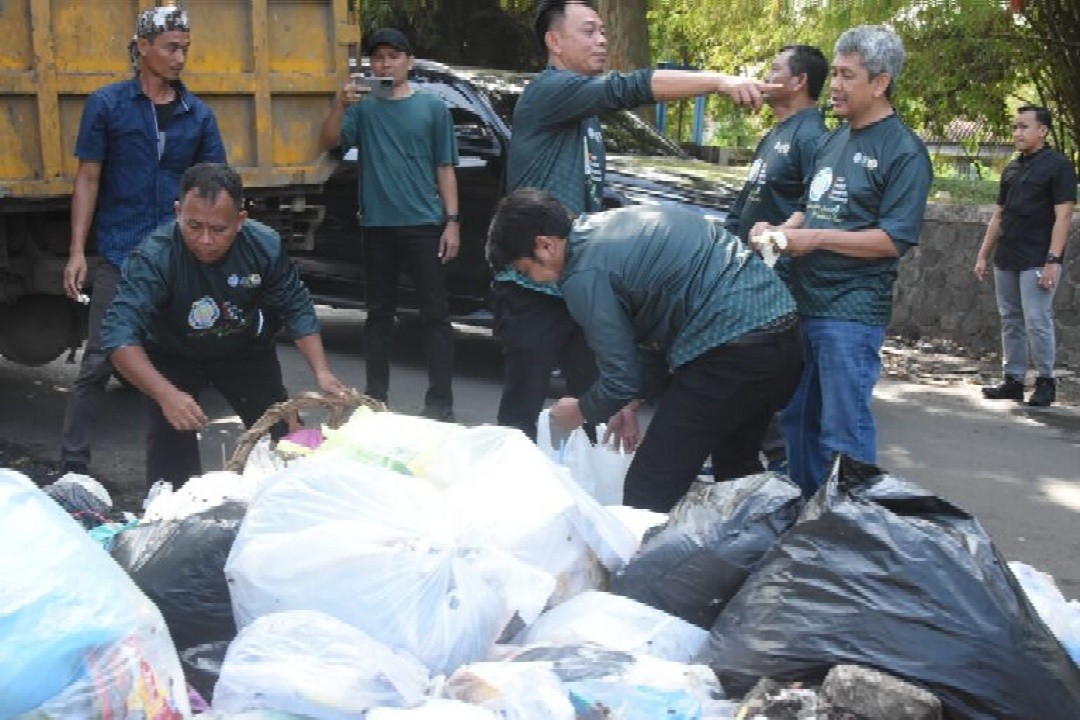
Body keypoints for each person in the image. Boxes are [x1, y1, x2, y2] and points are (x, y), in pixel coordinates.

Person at [495, 0, 776, 441]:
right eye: (588, 31)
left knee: (595, 406)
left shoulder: (581, 113)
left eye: (603, 31)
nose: (602, 39)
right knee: (521, 412)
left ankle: (578, 499)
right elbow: (629, 88)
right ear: (554, 41)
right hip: (534, 285)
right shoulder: (550, 92)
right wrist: (720, 81)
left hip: (576, 278)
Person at [488, 188, 803, 513]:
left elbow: (619, 377)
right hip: (782, 331)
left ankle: (641, 562)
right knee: (734, 472)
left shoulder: (582, 273)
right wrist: (630, 402)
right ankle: (754, 552)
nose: (536, 282)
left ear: (546, 245)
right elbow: (655, 334)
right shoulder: (614, 226)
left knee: (649, 487)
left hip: (730, 347)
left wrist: (581, 410)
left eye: (527, 271)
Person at [749, 25, 933, 497]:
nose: (835, 85)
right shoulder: (832, 141)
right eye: (836, 74)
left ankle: (849, 534)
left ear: (881, 82)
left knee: (842, 432)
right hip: (800, 304)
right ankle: (807, 520)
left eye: (849, 76)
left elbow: (894, 239)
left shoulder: (904, 152)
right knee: (796, 423)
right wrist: (779, 231)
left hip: (850, 313)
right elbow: (809, 208)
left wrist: (814, 239)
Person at [101, 163, 348, 487]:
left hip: (243, 350)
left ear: (240, 220)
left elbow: (295, 305)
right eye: (193, 226)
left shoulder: (265, 246)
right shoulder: (155, 257)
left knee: (284, 436)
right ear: (178, 212)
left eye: (219, 229)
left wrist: (322, 371)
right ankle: (174, 520)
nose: (205, 240)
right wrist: (167, 395)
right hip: (172, 355)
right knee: (172, 461)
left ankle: (296, 505)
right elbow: (118, 334)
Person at [59, 6, 226, 476]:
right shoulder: (108, 105)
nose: (179, 58)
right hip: (120, 251)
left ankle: (176, 476)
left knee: (180, 361)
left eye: (185, 49)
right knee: (99, 359)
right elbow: (88, 178)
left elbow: (215, 186)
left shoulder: (198, 114)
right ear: (143, 48)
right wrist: (77, 251)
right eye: (171, 47)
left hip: (177, 257)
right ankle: (73, 467)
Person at [318, 28, 459, 421]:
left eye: (393, 56)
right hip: (377, 226)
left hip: (425, 225)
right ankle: (375, 398)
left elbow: (445, 167)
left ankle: (441, 404)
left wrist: (453, 222)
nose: (385, 64)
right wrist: (340, 105)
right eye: (378, 58)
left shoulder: (433, 108)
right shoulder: (363, 108)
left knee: (436, 316)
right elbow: (329, 140)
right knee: (379, 315)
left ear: (409, 61)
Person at [723, 44, 829, 470]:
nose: (766, 74)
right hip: (749, 275)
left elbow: (815, 209)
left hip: (780, 283)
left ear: (799, 81)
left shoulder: (813, 136)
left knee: (768, 384)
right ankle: (740, 465)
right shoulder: (775, 132)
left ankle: (784, 473)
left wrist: (779, 244)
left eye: (775, 68)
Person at [975, 105, 1076, 407]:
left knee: (1037, 319)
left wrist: (1053, 260)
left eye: (1023, 127)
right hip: (1007, 256)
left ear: (1042, 131)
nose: (1017, 132)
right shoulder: (1013, 168)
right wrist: (982, 255)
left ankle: (1046, 381)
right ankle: (1013, 380)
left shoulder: (1058, 167)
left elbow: (1064, 217)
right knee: (1010, 319)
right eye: (1015, 127)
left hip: (1037, 257)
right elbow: (998, 216)